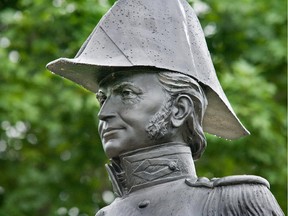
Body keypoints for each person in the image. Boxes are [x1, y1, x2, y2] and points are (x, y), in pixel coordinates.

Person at [47, 0, 284, 215]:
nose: (103, 113)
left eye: (126, 93)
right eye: (102, 98)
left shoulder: (234, 203)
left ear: (179, 109)